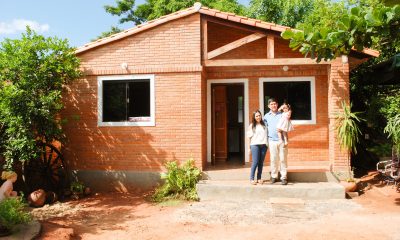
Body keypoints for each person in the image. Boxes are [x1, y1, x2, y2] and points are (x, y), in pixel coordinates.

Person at [264, 98, 288, 185]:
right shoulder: (266, 116)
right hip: (272, 141)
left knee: (282, 159)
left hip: (281, 140)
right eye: (271, 104)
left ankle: (283, 177)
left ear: (277, 105)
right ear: (268, 106)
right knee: (273, 159)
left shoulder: (282, 115)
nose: (273, 105)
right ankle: (274, 176)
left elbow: (287, 124)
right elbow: (264, 128)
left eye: (275, 104)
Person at [246, 110, 268, 185]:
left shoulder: (264, 124)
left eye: (259, 115)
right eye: (256, 116)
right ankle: (251, 179)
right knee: (255, 162)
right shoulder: (252, 125)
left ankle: (259, 178)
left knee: (261, 163)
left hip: (263, 145)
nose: (258, 117)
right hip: (255, 145)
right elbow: (248, 137)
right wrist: (249, 148)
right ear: (254, 117)